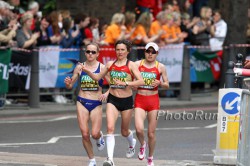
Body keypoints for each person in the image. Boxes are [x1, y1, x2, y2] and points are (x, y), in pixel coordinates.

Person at [80, 39, 145, 166]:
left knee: (124, 131)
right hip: (113, 100)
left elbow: (141, 81)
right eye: (117, 49)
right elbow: (98, 77)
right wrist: (87, 71)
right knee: (110, 128)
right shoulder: (110, 64)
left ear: (128, 51)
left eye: (122, 50)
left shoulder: (131, 65)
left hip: (126, 101)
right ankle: (110, 159)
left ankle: (132, 143)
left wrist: (126, 83)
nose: (120, 52)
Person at [64, 43, 107, 166]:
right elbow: (71, 84)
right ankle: (92, 160)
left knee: (94, 133)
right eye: (88, 51)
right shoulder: (79, 67)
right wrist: (68, 83)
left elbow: (113, 85)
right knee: (84, 133)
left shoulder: (103, 67)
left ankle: (99, 137)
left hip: (96, 102)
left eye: (93, 52)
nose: (90, 54)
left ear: (98, 54)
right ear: (85, 53)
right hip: (82, 101)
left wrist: (106, 94)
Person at [134, 42, 169, 166]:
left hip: (153, 100)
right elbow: (132, 80)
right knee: (138, 129)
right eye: (148, 51)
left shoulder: (161, 67)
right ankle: (143, 144)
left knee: (151, 133)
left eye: (153, 52)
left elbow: (167, 84)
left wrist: (160, 83)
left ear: (157, 54)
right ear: (144, 52)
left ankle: (150, 157)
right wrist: (134, 84)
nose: (150, 54)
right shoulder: (138, 64)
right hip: (140, 99)